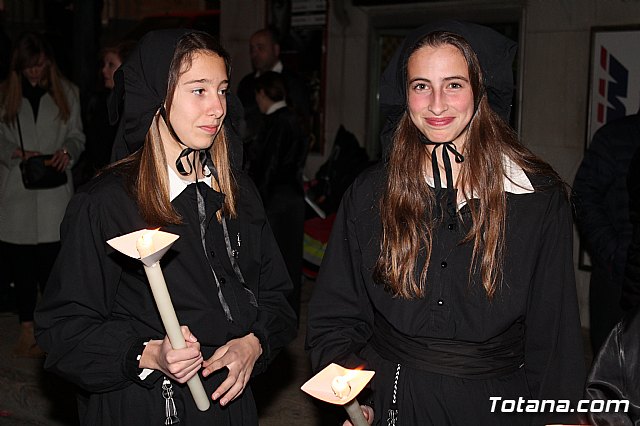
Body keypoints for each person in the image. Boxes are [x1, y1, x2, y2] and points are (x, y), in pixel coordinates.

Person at [305, 21, 586, 425]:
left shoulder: (537, 200)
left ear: (481, 92)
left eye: (454, 85)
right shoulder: (370, 193)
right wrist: (353, 401)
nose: (437, 105)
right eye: (421, 86)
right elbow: (335, 317)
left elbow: (555, 338)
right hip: (392, 400)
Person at [34, 29, 297, 425]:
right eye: (198, 90)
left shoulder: (236, 190)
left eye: (222, 90)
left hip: (230, 403)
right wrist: (147, 353)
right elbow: (62, 332)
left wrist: (254, 342)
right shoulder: (106, 204)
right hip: (148, 404)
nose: (218, 108)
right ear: (155, 97)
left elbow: (278, 296)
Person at [0, 31, 85, 358]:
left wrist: (68, 151)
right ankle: (26, 330)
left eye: (38, 65)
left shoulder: (68, 93)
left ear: (47, 61)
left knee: (53, 268)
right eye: (27, 67)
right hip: (16, 191)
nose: (33, 72)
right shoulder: (6, 94)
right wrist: (14, 151)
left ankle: (50, 331)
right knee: (21, 268)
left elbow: (78, 135)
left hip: (53, 190)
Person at [573, 110, 640, 353]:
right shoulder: (616, 137)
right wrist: (614, 254)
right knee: (612, 371)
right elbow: (583, 197)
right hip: (619, 283)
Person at [245, 71, 308, 319]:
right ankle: (289, 313)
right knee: (291, 260)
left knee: (274, 263)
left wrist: (256, 202)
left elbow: (268, 166)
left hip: (275, 203)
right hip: (293, 200)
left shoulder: (275, 123)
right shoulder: (295, 119)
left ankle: (277, 316)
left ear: (262, 93)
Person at [73, 39, 135, 189]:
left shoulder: (134, 106)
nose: (104, 70)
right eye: (104, 64)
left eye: (111, 65)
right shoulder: (103, 100)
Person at [236, 28, 310, 145]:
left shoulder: (293, 82)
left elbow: (301, 124)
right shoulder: (247, 83)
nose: (255, 54)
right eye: (252, 49)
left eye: (260, 48)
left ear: (275, 50)